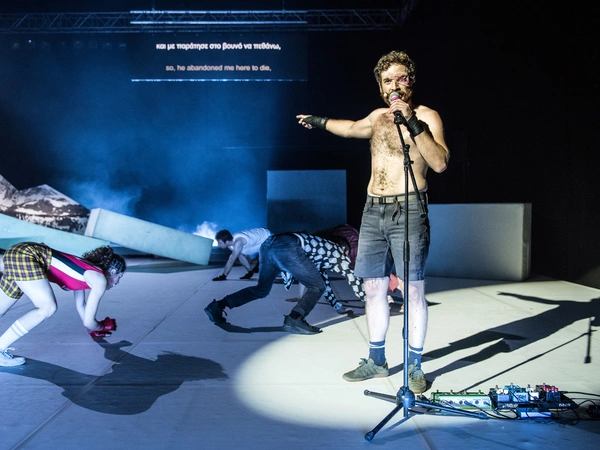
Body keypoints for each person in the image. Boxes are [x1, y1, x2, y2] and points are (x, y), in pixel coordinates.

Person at [296, 50, 449, 393]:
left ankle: (415, 366)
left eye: (400, 78)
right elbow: (350, 128)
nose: (394, 85)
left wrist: (412, 122)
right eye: (387, 81)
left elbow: (440, 162)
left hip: (409, 208)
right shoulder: (378, 117)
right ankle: (377, 360)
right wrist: (317, 121)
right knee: (373, 288)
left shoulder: (427, 116)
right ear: (381, 87)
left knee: (412, 289)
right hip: (373, 210)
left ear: (411, 81)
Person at [204, 232, 365, 334]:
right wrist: (370, 300)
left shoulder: (319, 252)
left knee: (261, 290)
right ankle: (295, 318)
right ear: (342, 248)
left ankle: (218, 306)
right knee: (317, 286)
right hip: (287, 246)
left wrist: (338, 307)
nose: (345, 257)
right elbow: (352, 276)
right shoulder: (336, 250)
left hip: (268, 245)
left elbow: (323, 283)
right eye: (346, 253)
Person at [0, 242, 126, 367]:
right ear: (113, 271)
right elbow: (89, 322)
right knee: (47, 307)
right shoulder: (99, 280)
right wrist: (101, 326)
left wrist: (93, 329)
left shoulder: (87, 272)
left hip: (16, 253)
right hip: (27, 255)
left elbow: (81, 306)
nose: (117, 283)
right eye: (119, 277)